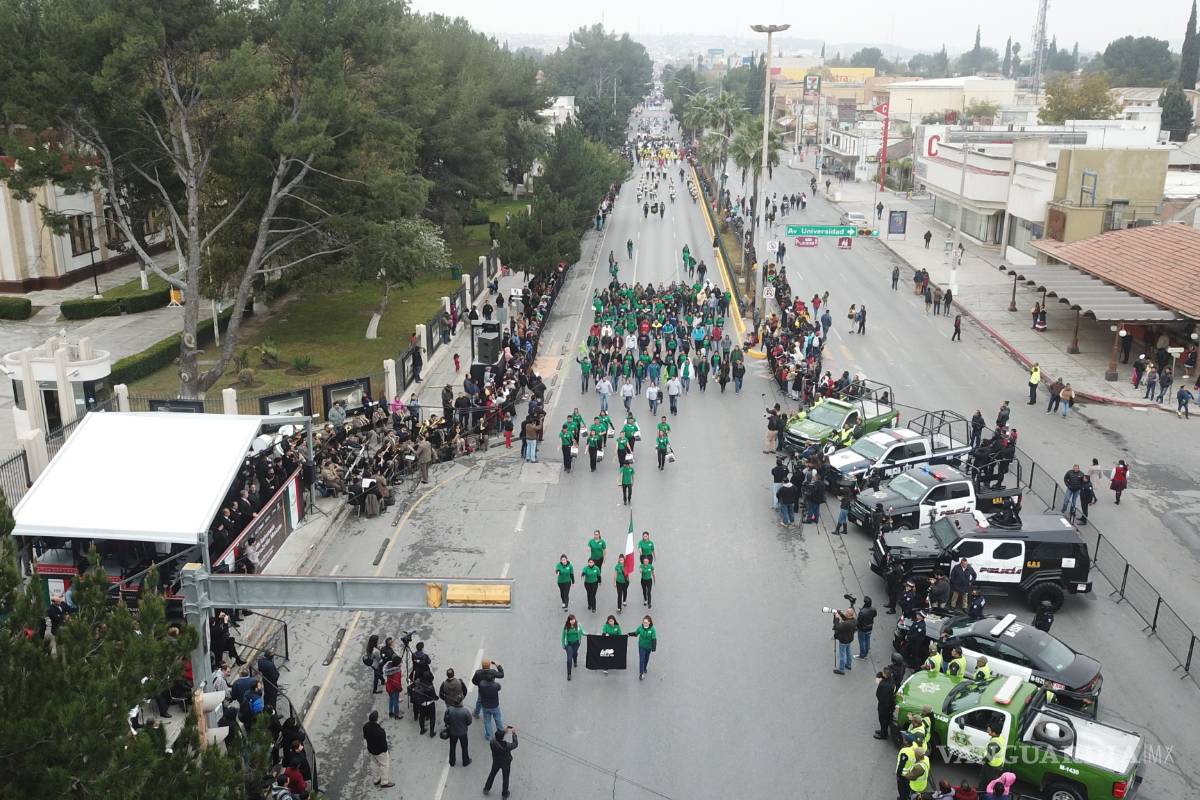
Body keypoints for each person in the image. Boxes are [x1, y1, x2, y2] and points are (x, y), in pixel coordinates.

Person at [483, 726, 518, 797]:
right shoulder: (507, 746)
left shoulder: (492, 742)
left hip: (496, 761)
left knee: (492, 774)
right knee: (505, 778)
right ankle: (505, 794)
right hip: (506, 764)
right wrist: (514, 734)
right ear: (503, 737)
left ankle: (486, 788)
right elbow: (515, 744)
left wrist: (504, 732)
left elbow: (498, 737)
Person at [362, 710, 394, 788]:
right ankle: (384, 782)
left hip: (371, 749)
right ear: (376, 719)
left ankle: (376, 780)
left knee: (374, 764)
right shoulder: (380, 731)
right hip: (380, 751)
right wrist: (385, 750)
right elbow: (383, 744)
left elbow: (365, 736)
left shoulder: (365, 726)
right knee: (384, 765)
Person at [444, 699, 472, 767]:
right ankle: (465, 761)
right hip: (463, 733)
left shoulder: (449, 710)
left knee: (452, 747)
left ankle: (452, 762)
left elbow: (445, 720)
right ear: (461, 702)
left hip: (452, 732)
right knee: (464, 747)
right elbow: (469, 722)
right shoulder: (465, 711)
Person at [629, 615, 657, 679]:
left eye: (646, 622)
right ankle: (641, 673)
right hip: (641, 646)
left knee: (646, 659)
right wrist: (629, 634)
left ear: (649, 622)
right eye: (643, 622)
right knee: (642, 659)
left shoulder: (652, 629)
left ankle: (644, 668)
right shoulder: (640, 628)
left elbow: (654, 639)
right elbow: (636, 633)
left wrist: (654, 647)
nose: (644, 623)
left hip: (649, 647)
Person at [874, 666, 897, 739]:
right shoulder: (891, 680)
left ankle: (883, 734)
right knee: (885, 720)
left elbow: (879, 695)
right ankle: (882, 731)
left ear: (885, 675)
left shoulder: (884, 685)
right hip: (889, 705)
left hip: (884, 706)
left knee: (883, 720)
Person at [832, 607, 856, 675]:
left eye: (846, 612)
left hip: (843, 641)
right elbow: (846, 618)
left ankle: (841, 670)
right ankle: (849, 665)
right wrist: (840, 613)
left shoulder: (845, 624)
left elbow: (837, 628)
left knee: (842, 655)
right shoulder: (854, 620)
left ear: (849, 614)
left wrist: (837, 618)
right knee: (848, 652)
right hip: (849, 639)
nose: (845, 613)